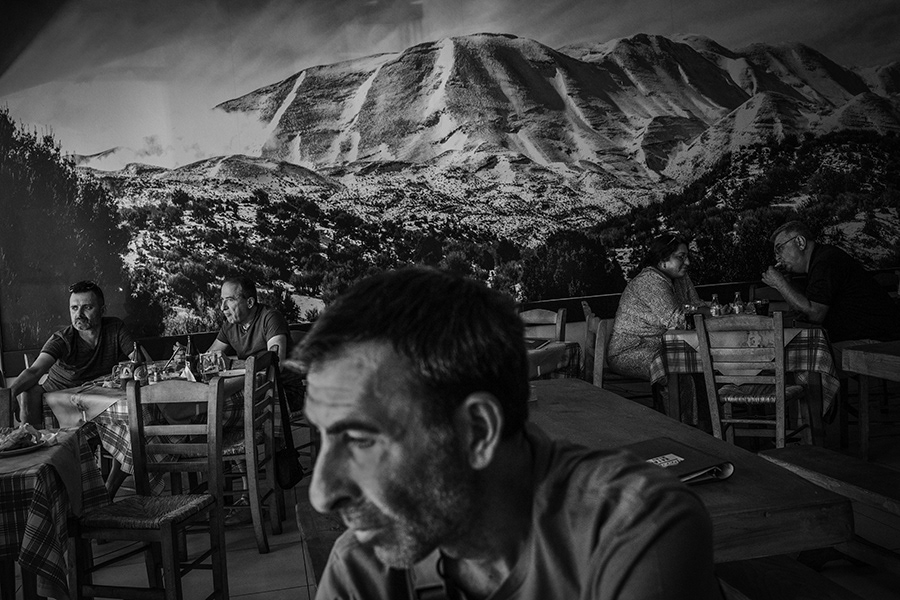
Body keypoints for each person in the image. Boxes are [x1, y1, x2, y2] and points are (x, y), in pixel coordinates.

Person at [295, 267, 722, 599]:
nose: (321, 493)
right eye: (325, 437)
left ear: (478, 431)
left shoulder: (632, 527)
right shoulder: (362, 566)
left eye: (361, 439)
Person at [6, 280, 136, 426]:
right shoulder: (62, 339)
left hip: (100, 398)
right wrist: (10, 394)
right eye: (74, 308)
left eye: (87, 307)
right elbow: (35, 370)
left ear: (102, 310)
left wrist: (136, 364)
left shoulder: (115, 328)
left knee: (136, 409)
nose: (79, 314)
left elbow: (137, 359)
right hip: (62, 401)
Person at [761, 221, 900, 345]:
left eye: (780, 249)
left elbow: (814, 315)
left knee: (799, 358)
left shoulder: (826, 262)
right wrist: (785, 284)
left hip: (879, 342)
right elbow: (804, 310)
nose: (777, 257)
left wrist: (780, 283)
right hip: (868, 338)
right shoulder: (820, 260)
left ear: (800, 242)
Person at [608, 232, 705, 380]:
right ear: (662, 259)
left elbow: (696, 305)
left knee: (703, 360)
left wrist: (713, 309)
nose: (687, 263)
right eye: (681, 257)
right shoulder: (650, 281)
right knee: (679, 365)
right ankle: (676, 403)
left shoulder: (681, 278)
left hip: (663, 346)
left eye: (687, 257)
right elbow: (676, 320)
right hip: (630, 351)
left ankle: (705, 402)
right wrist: (708, 311)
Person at [206, 275, 290, 363]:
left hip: (278, 377)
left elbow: (276, 366)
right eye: (222, 300)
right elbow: (208, 359)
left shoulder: (271, 318)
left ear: (249, 303)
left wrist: (231, 364)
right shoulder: (230, 324)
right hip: (249, 376)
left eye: (230, 300)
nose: (222, 307)